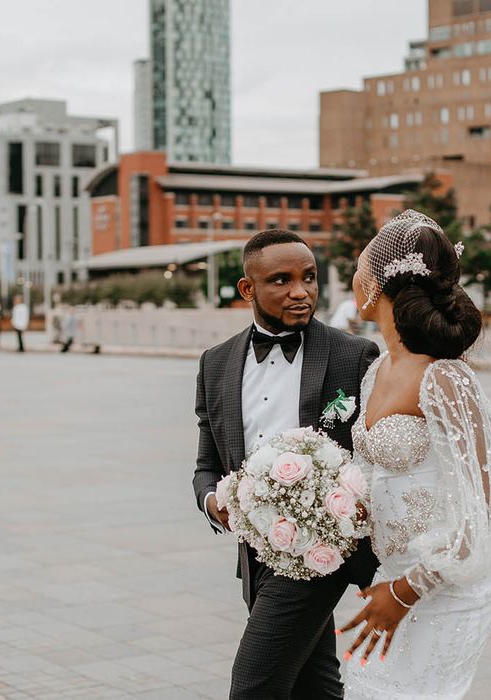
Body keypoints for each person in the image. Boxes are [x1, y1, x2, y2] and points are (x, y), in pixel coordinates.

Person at [338, 210, 491, 700]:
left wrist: (409, 590)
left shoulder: (446, 378)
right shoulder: (375, 371)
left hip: (447, 584)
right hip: (388, 579)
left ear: (376, 285)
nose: (352, 279)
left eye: (359, 267)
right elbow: (372, 474)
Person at [192, 229, 380, 699]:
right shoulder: (215, 363)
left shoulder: (352, 355)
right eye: (282, 280)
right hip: (255, 555)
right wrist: (214, 500)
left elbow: (374, 459)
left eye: (310, 277)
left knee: (254, 685)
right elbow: (206, 465)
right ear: (248, 289)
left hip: (322, 554)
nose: (301, 291)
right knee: (313, 683)